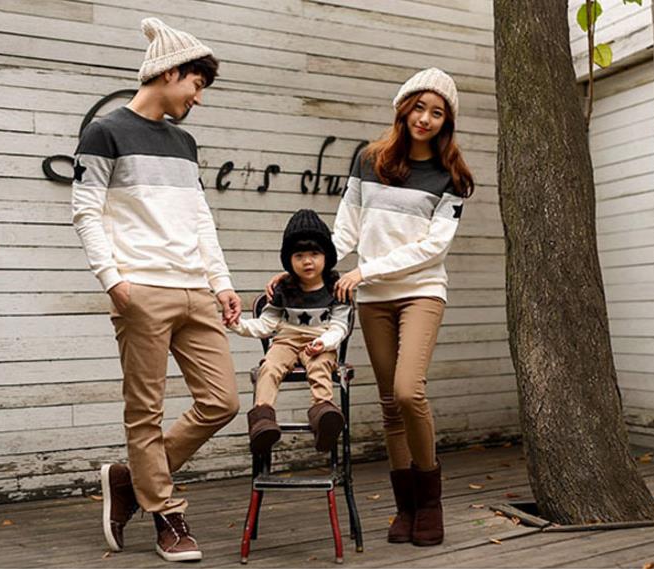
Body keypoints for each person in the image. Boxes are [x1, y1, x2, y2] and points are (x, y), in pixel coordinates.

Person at [268, 67, 474, 546]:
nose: (425, 119)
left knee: (408, 392)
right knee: (388, 405)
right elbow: (344, 232)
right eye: (419, 107)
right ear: (403, 109)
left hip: (422, 291)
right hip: (374, 298)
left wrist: (366, 271)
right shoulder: (368, 161)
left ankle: (431, 503)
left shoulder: (453, 177)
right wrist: (305, 271)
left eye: (437, 113)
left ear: (446, 122)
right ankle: (406, 508)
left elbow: (433, 248)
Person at [71, 17, 241, 563]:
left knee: (222, 401)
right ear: (169, 73)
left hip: (195, 288)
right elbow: (86, 211)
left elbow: (200, 218)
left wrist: (221, 282)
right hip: (141, 288)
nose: (198, 97)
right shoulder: (105, 132)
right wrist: (114, 281)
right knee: (144, 411)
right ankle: (167, 514)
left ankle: (130, 479)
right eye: (196, 84)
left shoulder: (184, 143)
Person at [230, 209, 351, 454]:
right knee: (269, 367)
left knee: (319, 366)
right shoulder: (284, 288)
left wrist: (325, 342)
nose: (307, 261)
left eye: (314, 254)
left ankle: (323, 414)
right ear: (289, 260)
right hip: (285, 341)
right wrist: (238, 325)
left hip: (319, 342)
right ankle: (263, 419)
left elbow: (340, 325)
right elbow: (267, 323)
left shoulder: (335, 288)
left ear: (326, 256)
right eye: (299, 255)